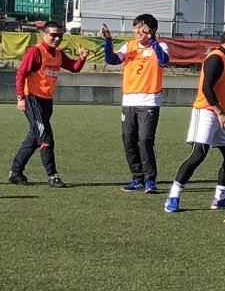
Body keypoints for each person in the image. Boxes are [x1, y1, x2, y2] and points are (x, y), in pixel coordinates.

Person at [163, 26, 225, 213]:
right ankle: (173, 196)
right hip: (207, 112)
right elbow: (207, 88)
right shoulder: (216, 58)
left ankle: (221, 198)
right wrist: (219, 112)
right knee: (198, 155)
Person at [9, 20, 88, 188]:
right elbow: (21, 73)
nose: (57, 38)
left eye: (60, 35)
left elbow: (74, 68)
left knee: (34, 138)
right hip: (32, 99)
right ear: (43, 35)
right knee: (45, 137)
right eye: (53, 35)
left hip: (46, 101)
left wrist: (81, 58)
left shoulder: (58, 54)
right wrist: (20, 97)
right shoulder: (35, 52)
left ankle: (15, 172)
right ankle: (53, 175)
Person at [102, 14, 169, 194]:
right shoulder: (129, 45)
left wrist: (153, 40)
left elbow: (164, 60)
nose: (138, 31)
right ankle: (137, 177)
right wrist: (107, 41)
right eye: (136, 27)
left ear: (152, 30)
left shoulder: (160, 45)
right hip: (129, 100)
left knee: (145, 139)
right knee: (128, 139)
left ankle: (150, 179)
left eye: (142, 27)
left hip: (149, 100)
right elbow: (112, 60)